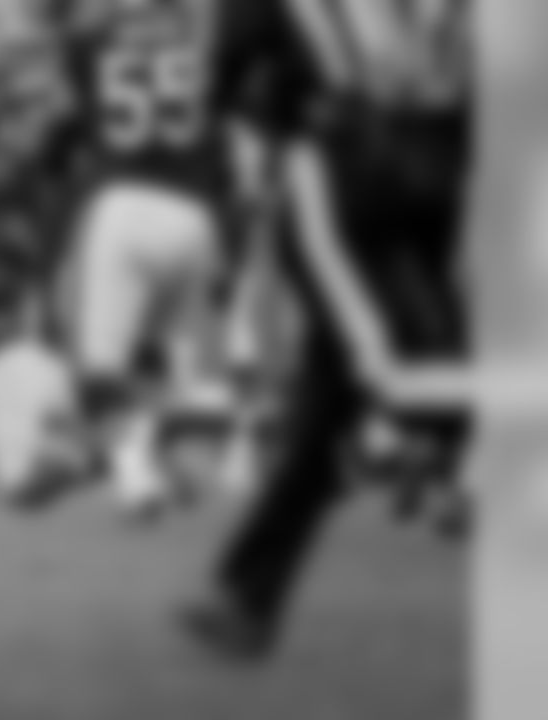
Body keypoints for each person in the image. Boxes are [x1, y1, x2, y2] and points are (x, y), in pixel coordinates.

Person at [180, 0, 476, 660]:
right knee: (349, 390)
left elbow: (226, 75)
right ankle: (246, 597)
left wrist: (262, 118)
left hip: (362, 173)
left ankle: (247, 597)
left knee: (370, 383)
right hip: (406, 169)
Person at [38, 0, 233, 519]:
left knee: (100, 367)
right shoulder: (203, 34)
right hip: (196, 208)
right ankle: (200, 469)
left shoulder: (90, 35)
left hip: (121, 199)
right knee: (193, 368)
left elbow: (64, 128)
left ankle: (134, 477)